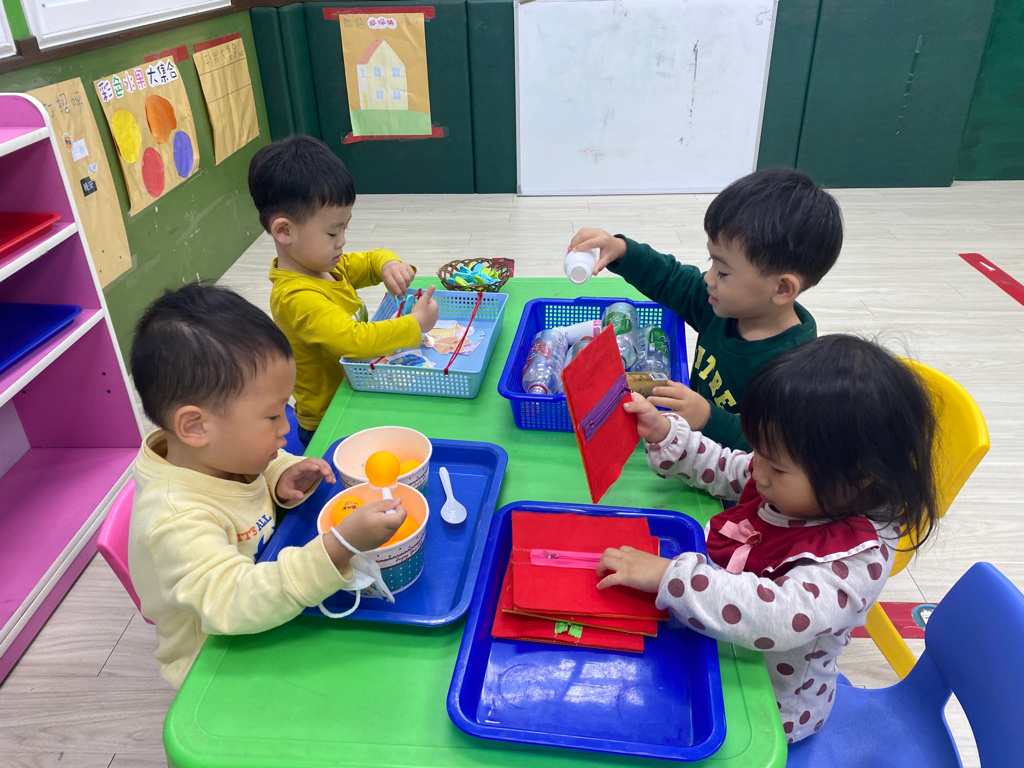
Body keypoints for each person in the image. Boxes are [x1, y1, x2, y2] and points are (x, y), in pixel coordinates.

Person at [596, 335, 939, 743]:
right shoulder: (793, 479)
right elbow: (726, 466)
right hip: (717, 642)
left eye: (775, 467)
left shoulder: (856, 559)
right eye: (759, 451)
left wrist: (670, 576)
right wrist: (668, 434)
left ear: (858, 477)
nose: (757, 471)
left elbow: (774, 615)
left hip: (769, 706)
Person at [128, 283, 408, 688]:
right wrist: (341, 546)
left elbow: (255, 474)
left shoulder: (220, 454)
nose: (286, 428)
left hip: (275, 606)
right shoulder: (175, 519)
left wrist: (279, 475)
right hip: (218, 664)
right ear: (195, 427)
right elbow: (233, 602)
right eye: (273, 416)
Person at [568, 168, 843, 450]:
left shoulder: (796, 372)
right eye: (712, 262)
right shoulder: (724, 305)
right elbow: (672, 279)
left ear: (782, 288)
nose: (709, 278)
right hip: (688, 447)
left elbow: (774, 447)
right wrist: (622, 250)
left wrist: (709, 418)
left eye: (723, 272)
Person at [249, 135, 439, 445]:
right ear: (284, 231)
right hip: (330, 419)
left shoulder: (324, 266)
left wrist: (388, 264)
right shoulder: (297, 297)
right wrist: (415, 325)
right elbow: (355, 342)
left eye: (345, 228)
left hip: (356, 389)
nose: (342, 241)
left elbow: (369, 260)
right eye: (332, 233)